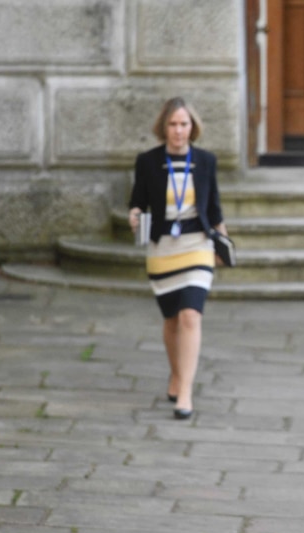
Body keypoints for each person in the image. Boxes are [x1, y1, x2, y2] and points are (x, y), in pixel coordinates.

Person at [128, 97, 228, 420]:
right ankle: (176, 375)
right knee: (172, 319)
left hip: (197, 244)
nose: (178, 130)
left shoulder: (206, 160)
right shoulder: (147, 161)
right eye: (172, 124)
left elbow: (213, 209)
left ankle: (185, 391)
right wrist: (134, 216)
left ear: (192, 127)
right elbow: (137, 202)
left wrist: (223, 243)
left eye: (184, 124)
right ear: (163, 127)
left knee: (190, 316)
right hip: (162, 250)